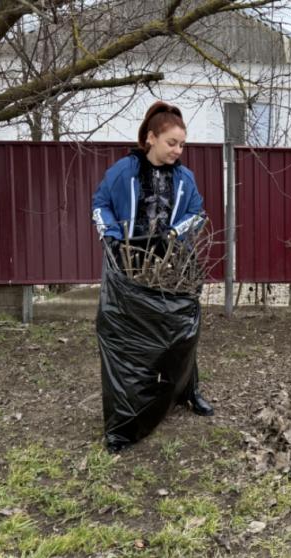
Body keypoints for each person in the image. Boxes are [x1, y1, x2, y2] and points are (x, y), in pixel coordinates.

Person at [91, 100, 214, 417]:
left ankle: (189, 390)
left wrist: (173, 236)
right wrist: (113, 240)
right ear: (150, 138)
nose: (178, 150)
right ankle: (134, 398)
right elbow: (100, 204)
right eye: (172, 143)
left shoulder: (185, 178)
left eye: (182, 144)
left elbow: (197, 214)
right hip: (129, 263)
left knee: (181, 331)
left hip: (171, 264)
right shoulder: (124, 172)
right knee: (130, 332)